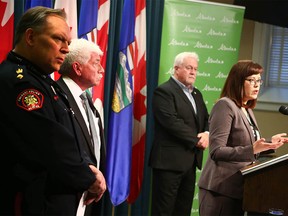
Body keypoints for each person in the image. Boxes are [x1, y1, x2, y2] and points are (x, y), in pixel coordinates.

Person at [0, 6, 105, 215]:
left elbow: (69, 137)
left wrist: (87, 168)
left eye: (67, 42)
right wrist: (89, 178)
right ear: (30, 37)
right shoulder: (20, 83)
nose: (66, 49)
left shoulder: (42, 80)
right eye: (59, 39)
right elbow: (51, 145)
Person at [198, 60, 288, 216]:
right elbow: (216, 151)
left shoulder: (245, 108)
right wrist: (252, 149)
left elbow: (246, 145)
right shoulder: (225, 106)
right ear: (238, 81)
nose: (257, 85)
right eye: (251, 80)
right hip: (220, 191)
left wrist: (268, 144)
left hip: (238, 189)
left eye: (259, 80)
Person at [148, 51, 209, 215]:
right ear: (176, 68)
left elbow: (206, 119)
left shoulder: (197, 94)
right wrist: (197, 140)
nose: (193, 72)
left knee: (183, 211)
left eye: (195, 69)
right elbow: (171, 122)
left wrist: (207, 133)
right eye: (189, 68)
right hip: (169, 164)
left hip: (190, 163)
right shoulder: (164, 91)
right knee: (164, 211)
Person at [57, 38, 106, 215]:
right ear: (77, 68)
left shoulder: (86, 100)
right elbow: (62, 148)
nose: (102, 69)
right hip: (64, 196)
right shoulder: (56, 97)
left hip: (88, 194)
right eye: (96, 63)